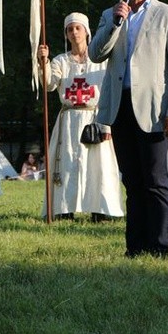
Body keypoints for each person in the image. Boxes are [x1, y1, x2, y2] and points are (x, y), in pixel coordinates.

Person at [89, 0, 168, 257]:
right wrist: (114, 23)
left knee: (155, 181)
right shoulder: (111, 13)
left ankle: (159, 247)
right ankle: (135, 247)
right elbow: (96, 54)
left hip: (155, 110)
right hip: (119, 108)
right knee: (132, 181)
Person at [38, 13, 123, 222]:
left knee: (99, 165)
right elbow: (48, 84)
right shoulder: (60, 61)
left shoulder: (100, 59)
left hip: (96, 117)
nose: (74, 32)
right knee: (67, 163)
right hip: (69, 119)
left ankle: (101, 210)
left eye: (78, 28)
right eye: (70, 29)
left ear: (87, 31)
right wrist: (43, 63)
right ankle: (63, 209)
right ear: (66, 34)